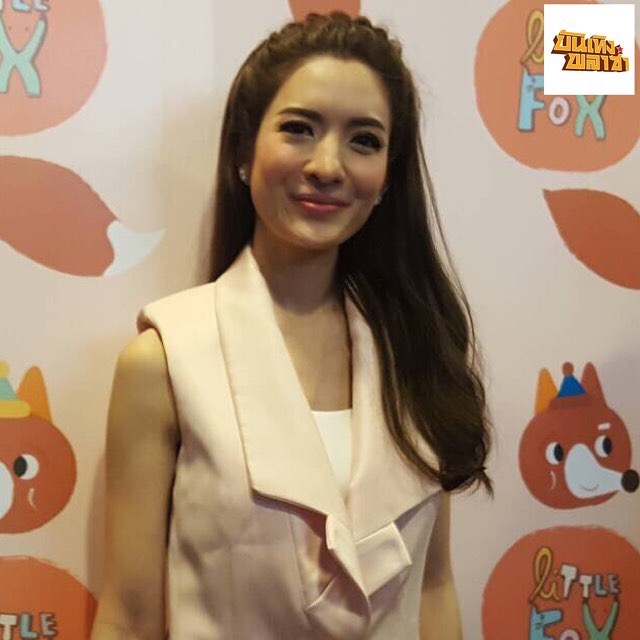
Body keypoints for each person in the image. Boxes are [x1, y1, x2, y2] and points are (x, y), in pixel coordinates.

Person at [91, 11, 491, 640]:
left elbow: (434, 587)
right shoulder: (164, 360)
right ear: (243, 152)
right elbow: (129, 618)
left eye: (364, 140)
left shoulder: (418, 348)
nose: (328, 165)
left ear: (388, 178)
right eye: (299, 129)